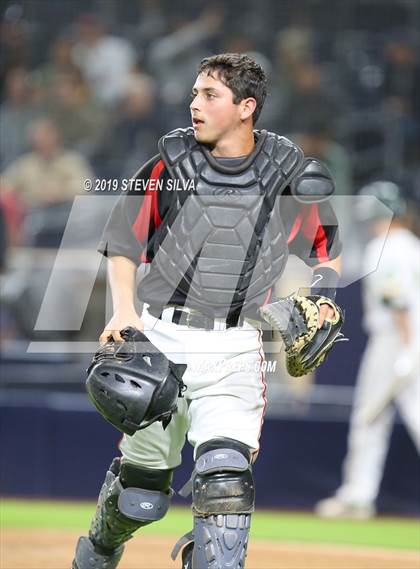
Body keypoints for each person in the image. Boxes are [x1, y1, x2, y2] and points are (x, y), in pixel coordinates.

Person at [72, 53, 342, 569]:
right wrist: (123, 311)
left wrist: (324, 295)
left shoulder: (288, 175)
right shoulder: (169, 164)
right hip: (159, 336)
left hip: (236, 346)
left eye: (209, 95)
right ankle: (99, 550)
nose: (194, 104)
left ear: (246, 107)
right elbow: (123, 242)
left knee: (225, 481)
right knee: (140, 495)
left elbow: (326, 247)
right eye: (195, 93)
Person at [315, 181, 419, 519]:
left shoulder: (386, 247)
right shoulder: (411, 246)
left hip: (396, 341)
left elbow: (397, 300)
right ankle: (357, 494)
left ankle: (357, 495)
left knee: (369, 417)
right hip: (408, 340)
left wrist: (406, 349)